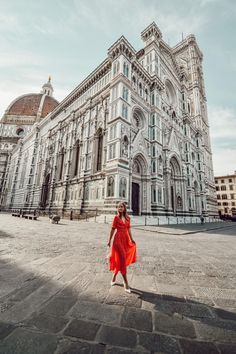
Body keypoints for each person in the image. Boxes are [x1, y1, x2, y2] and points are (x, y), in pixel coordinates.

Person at [107, 202, 136, 293]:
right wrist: (109, 240)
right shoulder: (116, 218)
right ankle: (126, 282)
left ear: (124, 208)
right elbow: (112, 229)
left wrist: (131, 239)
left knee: (120, 260)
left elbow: (128, 229)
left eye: (121, 207)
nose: (120, 208)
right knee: (122, 259)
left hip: (125, 240)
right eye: (118, 207)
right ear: (117, 209)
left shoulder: (127, 218)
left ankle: (114, 276)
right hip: (118, 240)